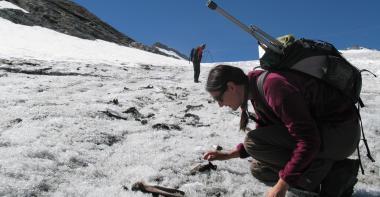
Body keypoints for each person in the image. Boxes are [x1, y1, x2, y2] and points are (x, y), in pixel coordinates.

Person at [203, 64, 361, 197]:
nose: (220, 105)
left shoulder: (274, 86)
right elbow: (269, 132)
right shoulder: (256, 90)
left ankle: (334, 174)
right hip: (327, 133)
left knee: (254, 143)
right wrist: (229, 154)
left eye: (219, 98)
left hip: (342, 134)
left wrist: (281, 186)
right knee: (259, 169)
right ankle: (317, 170)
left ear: (231, 87)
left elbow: (308, 141)